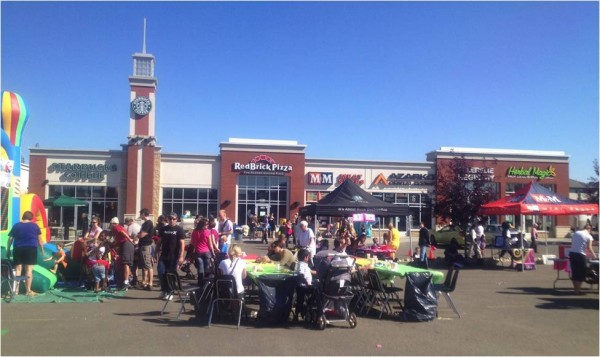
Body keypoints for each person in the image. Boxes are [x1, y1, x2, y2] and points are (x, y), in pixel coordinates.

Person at [6, 211, 45, 296]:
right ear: (31, 218)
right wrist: (42, 249)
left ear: (23, 217)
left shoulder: (16, 225)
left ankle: (15, 291)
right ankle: (28, 291)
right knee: (29, 270)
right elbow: (40, 239)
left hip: (18, 248)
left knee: (18, 270)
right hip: (31, 248)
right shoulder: (35, 226)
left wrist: (8, 249)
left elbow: (10, 239)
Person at [156, 212, 186, 300]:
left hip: (174, 256)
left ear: (176, 220)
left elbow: (182, 243)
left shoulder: (179, 230)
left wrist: (181, 256)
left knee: (170, 274)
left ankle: (170, 291)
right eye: (170, 219)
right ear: (168, 219)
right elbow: (159, 241)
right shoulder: (163, 229)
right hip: (164, 255)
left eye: (173, 219)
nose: (171, 220)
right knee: (161, 272)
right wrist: (155, 252)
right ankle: (164, 290)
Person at [569, 224, 597, 295]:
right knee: (581, 273)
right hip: (580, 255)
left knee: (574, 272)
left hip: (572, 254)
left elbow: (577, 243)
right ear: (589, 229)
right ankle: (578, 291)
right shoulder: (589, 236)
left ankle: (575, 289)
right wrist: (594, 255)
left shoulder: (576, 233)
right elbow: (589, 248)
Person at [190, 216, 218, 286]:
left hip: (198, 252)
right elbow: (210, 244)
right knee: (207, 268)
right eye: (206, 225)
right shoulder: (207, 232)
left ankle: (200, 283)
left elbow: (192, 243)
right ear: (203, 225)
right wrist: (213, 253)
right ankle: (206, 283)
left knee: (200, 268)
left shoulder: (194, 232)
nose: (207, 226)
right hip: (206, 252)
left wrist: (192, 253)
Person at [110, 217, 134, 290]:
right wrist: (114, 245)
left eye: (110, 224)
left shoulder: (116, 227)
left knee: (125, 263)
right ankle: (126, 280)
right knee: (125, 263)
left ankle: (126, 282)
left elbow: (122, 233)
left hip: (126, 244)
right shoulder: (119, 227)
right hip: (125, 244)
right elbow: (118, 240)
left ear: (113, 224)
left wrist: (129, 239)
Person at [294, 248, 317, 320]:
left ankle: (304, 309)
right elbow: (301, 275)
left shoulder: (304, 264)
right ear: (305, 257)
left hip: (305, 285)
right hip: (303, 286)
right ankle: (302, 311)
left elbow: (311, 271)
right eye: (308, 256)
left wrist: (320, 272)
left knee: (300, 300)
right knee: (301, 299)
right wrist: (307, 283)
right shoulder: (301, 265)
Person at [137, 208, 155, 290]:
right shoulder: (145, 223)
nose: (140, 215)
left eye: (141, 214)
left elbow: (142, 234)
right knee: (144, 264)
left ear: (144, 214)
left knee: (148, 264)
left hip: (146, 246)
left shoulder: (148, 223)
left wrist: (136, 236)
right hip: (142, 245)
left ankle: (150, 282)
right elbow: (140, 233)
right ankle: (144, 281)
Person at [124, 217, 141, 286]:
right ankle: (136, 278)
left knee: (133, 264)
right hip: (139, 245)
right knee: (136, 264)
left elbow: (128, 237)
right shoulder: (137, 225)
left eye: (126, 222)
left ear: (129, 222)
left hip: (135, 246)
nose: (126, 224)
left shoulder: (130, 227)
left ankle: (134, 279)